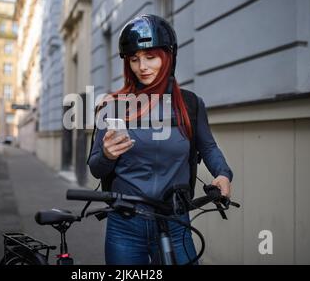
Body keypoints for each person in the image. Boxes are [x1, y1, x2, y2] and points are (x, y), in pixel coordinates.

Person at [88, 14, 233, 265]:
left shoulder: (190, 104)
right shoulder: (112, 107)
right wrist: (107, 155)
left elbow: (208, 147)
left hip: (175, 221)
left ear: (168, 57)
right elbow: (96, 167)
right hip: (125, 224)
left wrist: (222, 173)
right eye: (134, 59)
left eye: (150, 57)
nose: (141, 66)